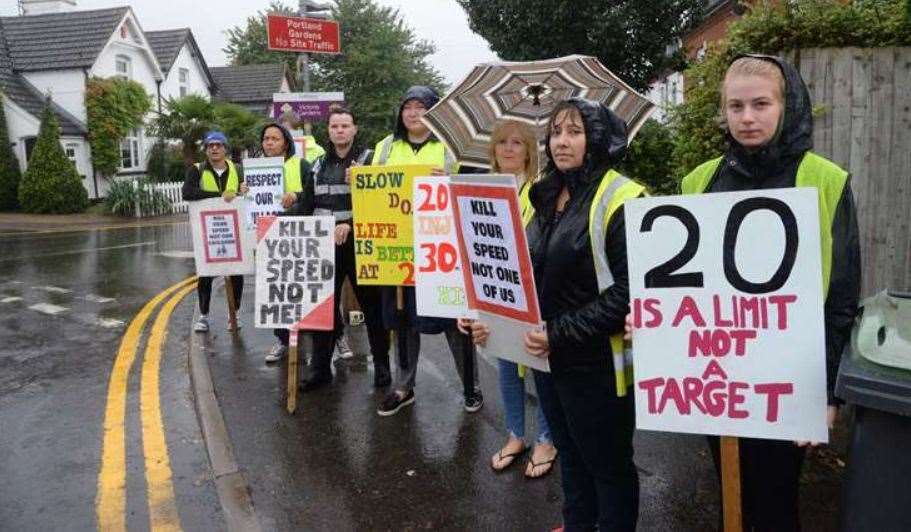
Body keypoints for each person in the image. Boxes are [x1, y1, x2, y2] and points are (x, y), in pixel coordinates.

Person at [678, 54, 860, 531]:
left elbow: (841, 297)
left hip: (788, 381)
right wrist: (657, 321)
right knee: (731, 495)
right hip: (719, 375)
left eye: (761, 104)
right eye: (736, 106)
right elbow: (682, 288)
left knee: (777, 506)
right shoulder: (698, 182)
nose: (748, 117)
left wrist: (826, 391)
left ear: (787, 106)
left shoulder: (825, 179)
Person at [471, 98, 645, 530]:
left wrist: (559, 332)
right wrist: (486, 317)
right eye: (556, 132)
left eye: (575, 132)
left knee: (607, 465)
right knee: (570, 455)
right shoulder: (547, 194)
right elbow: (522, 273)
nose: (562, 141)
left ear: (597, 138)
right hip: (546, 356)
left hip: (598, 362)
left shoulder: (622, 196)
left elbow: (630, 290)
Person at [371, 85, 483, 417]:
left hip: (442, 249)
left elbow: (476, 188)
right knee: (402, 321)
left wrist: (451, 180)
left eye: (422, 106)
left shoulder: (453, 148)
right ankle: (404, 386)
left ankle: (471, 386)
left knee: (454, 319)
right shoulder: (385, 148)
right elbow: (370, 190)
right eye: (408, 106)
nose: (413, 112)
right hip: (398, 249)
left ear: (435, 111)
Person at [460, 120, 558, 478]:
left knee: (540, 367)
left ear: (530, 150)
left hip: (537, 294)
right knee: (506, 367)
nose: (509, 148)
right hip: (497, 291)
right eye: (502, 141)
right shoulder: (481, 190)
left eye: (518, 142)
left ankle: (547, 438)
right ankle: (516, 434)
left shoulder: (545, 192)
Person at [289, 106, 391, 391]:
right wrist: (278, 222)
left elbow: (383, 204)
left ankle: (383, 368)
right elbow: (307, 204)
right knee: (322, 310)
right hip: (325, 246)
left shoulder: (369, 161)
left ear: (355, 129)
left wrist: (355, 218)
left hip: (360, 245)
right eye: (335, 127)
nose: (340, 131)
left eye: (345, 126)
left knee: (372, 309)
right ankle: (320, 370)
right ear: (328, 131)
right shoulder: (318, 164)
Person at [181, 130, 248, 332]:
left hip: (234, 229)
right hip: (208, 230)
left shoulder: (238, 169)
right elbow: (188, 193)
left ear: (225, 149)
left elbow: (247, 193)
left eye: (219, 145)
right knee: (205, 273)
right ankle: (203, 316)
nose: (215, 149)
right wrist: (221, 195)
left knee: (237, 271)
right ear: (206, 150)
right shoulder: (197, 170)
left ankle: (234, 314)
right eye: (211, 146)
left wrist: (243, 192)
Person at [259, 121, 315, 363]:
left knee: (310, 288)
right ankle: (283, 340)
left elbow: (313, 195)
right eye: (266, 139)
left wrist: (297, 196)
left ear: (285, 143)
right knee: (278, 292)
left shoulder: (301, 164)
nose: (269, 143)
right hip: (271, 237)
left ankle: (330, 337)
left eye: (275, 139)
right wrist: (244, 190)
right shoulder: (256, 168)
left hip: (300, 235)